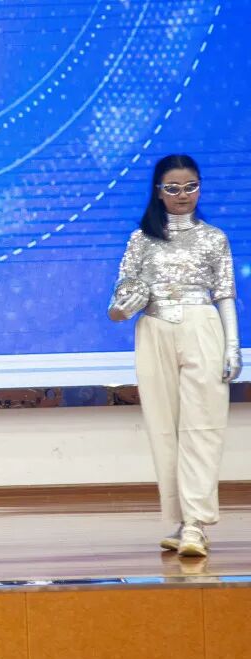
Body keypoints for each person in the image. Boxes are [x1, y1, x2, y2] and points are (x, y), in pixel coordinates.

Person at [109, 154, 241, 557]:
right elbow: (122, 294)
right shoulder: (141, 239)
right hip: (153, 328)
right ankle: (182, 520)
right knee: (163, 427)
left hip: (202, 325)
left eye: (191, 187)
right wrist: (126, 303)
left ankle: (197, 524)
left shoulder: (214, 238)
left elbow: (225, 293)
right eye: (173, 188)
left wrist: (233, 346)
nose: (183, 195)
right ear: (158, 192)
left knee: (204, 424)